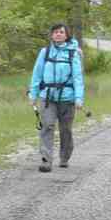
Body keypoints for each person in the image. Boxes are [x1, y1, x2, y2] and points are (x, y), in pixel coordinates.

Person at [29, 23, 84, 173]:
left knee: (66, 129)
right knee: (47, 126)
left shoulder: (73, 53)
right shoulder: (44, 52)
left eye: (61, 32)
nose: (58, 34)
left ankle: (64, 157)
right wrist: (33, 94)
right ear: (52, 35)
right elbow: (37, 74)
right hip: (48, 97)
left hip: (68, 98)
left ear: (66, 35)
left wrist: (79, 98)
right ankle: (46, 160)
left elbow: (78, 77)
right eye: (55, 32)